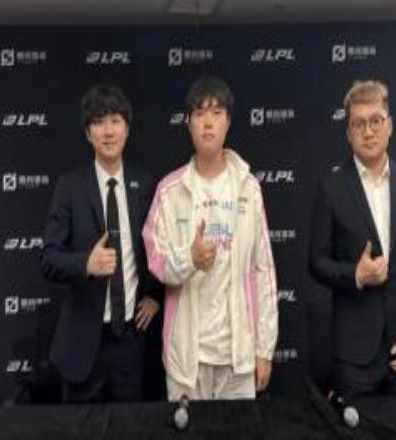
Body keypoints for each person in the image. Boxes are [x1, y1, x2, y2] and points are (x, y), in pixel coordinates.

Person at [142, 74, 278, 401]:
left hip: (238, 357)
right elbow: (157, 263)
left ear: (228, 122)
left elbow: (264, 271)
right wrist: (189, 259)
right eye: (200, 113)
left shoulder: (248, 188)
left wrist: (264, 348)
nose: (208, 123)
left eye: (217, 113)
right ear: (188, 123)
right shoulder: (169, 191)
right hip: (187, 359)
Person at [309, 80, 396, 396]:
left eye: (376, 121)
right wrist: (356, 274)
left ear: (389, 126)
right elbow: (316, 262)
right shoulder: (331, 188)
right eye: (358, 124)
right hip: (353, 357)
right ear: (348, 132)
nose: (368, 131)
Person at [40, 84, 162, 403]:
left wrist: (155, 295)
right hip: (83, 345)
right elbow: (48, 258)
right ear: (87, 132)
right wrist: (86, 264)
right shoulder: (69, 186)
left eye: (115, 120)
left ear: (127, 129)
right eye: (98, 122)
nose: (108, 131)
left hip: (130, 343)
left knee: (130, 425)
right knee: (81, 425)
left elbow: (160, 250)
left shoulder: (145, 184)